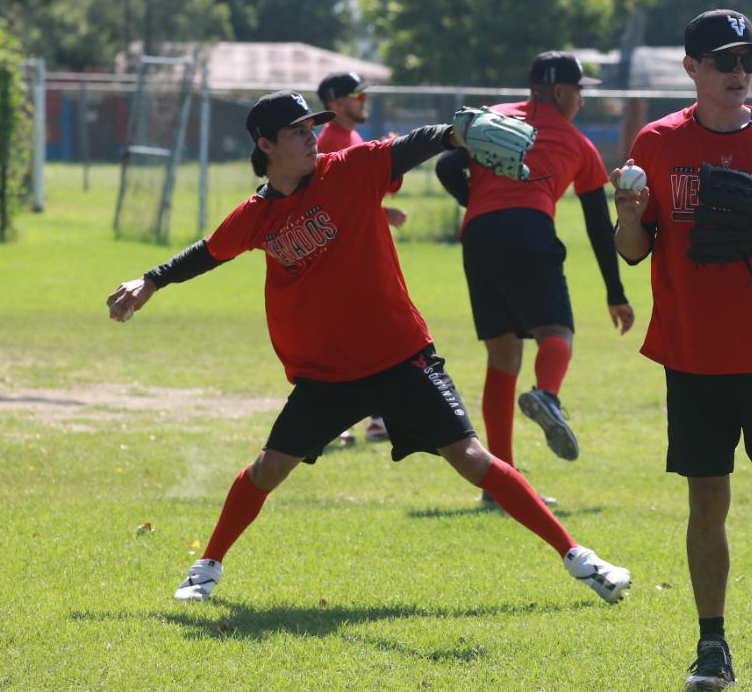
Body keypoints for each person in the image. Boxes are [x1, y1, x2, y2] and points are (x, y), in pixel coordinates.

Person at [106, 90, 631, 607]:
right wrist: (150, 281)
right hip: (326, 374)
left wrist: (454, 134)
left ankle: (579, 557)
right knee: (268, 469)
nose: (311, 138)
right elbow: (209, 251)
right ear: (265, 144)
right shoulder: (256, 215)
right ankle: (207, 566)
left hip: (401, 357)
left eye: (312, 127)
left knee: (470, 457)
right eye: (296, 132)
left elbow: (410, 145)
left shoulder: (351, 169)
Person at [612, 9, 752, 692]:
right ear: (692, 69)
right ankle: (711, 646)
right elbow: (634, 250)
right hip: (693, 355)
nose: (740, 72)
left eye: (749, 61)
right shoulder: (656, 143)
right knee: (706, 501)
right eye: (724, 61)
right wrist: (627, 213)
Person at [434, 52, 634, 505]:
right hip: (529, 229)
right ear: (560, 91)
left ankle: (499, 486)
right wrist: (615, 292)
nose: (581, 100)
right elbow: (599, 226)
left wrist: (481, 201)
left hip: (479, 236)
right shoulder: (579, 146)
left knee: (503, 351)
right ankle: (547, 395)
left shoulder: (495, 119)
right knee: (555, 332)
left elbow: (447, 167)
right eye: (580, 90)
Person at [315, 70, 404, 445]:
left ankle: (371, 419)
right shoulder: (330, 139)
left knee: (363, 336)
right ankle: (353, 420)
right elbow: (333, 200)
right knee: (357, 338)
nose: (362, 100)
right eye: (356, 95)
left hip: (356, 251)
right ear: (335, 103)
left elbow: (368, 188)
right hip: (339, 255)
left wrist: (392, 158)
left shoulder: (349, 135)